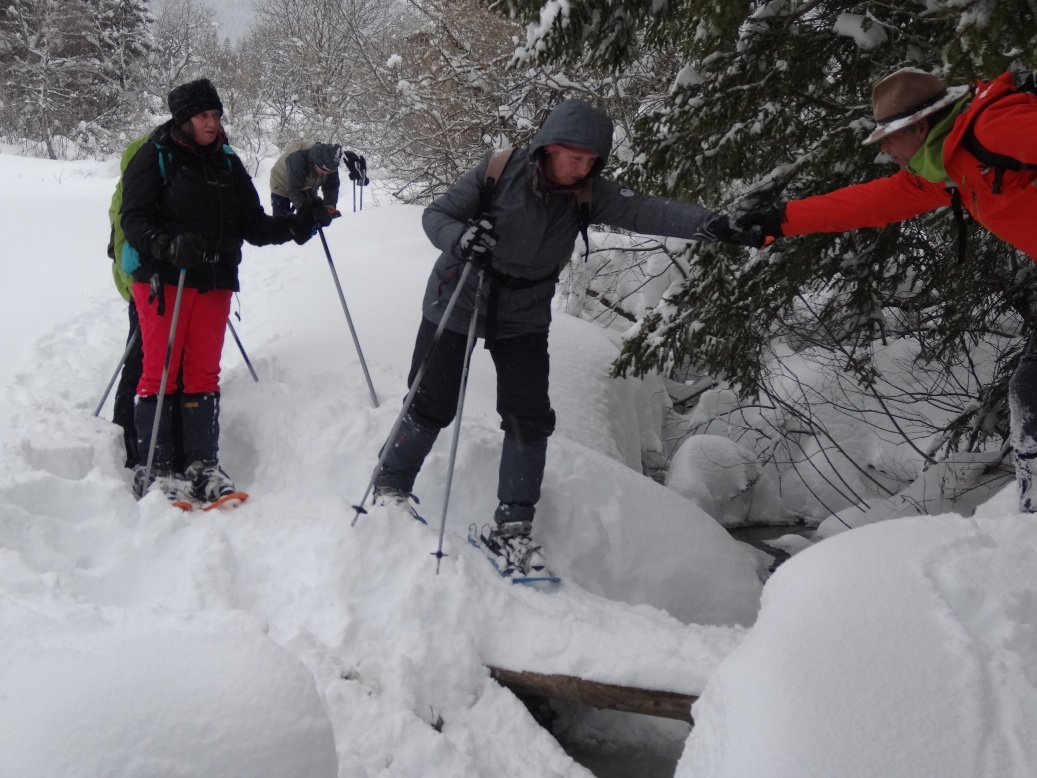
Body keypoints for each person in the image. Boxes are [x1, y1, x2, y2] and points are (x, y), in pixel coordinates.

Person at [371, 98, 759, 577]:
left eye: (592, 160)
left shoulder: (588, 193)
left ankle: (512, 528)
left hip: (524, 312)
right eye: (574, 156)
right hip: (461, 296)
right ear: (548, 148)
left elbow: (649, 212)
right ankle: (391, 483)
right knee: (431, 400)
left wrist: (714, 225)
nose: (583, 167)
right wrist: (462, 236)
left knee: (529, 418)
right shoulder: (497, 171)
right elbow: (437, 215)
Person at [735, 67, 1037, 512]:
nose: (886, 151)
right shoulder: (946, 168)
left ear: (920, 126)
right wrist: (776, 221)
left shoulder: (995, 127)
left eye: (889, 138)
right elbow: (867, 203)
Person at [120, 78, 324, 503]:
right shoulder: (155, 156)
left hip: (214, 281)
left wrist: (300, 222)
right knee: (160, 368)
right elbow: (133, 220)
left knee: (202, 373)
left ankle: (201, 465)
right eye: (203, 116)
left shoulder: (228, 163)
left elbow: (254, 225)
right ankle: (155, 467)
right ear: (184, 120)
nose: (212, 123)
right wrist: (166, 244)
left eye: (215, 115)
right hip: (164, 278)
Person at [269, 141, 368, 218]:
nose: (326, 173)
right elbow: (295, 190)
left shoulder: (329, 162)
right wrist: (308, 213)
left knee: (314, 212)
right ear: (314, 163)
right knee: (282, 221)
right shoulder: (298, 158)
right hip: (282, 182)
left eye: (328, 172)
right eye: (323, 170)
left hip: (309, 183)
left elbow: (331, 186)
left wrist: (329, 207)